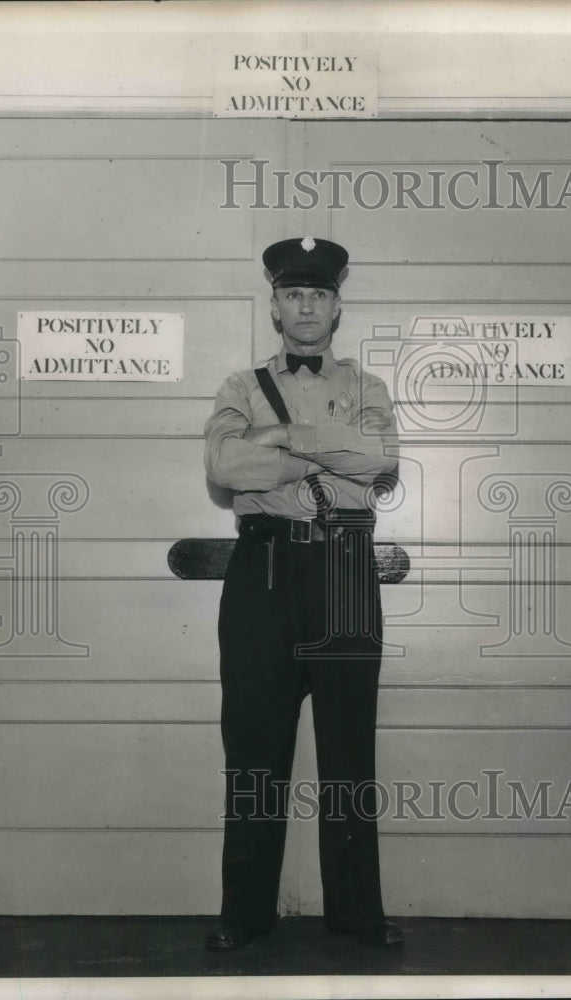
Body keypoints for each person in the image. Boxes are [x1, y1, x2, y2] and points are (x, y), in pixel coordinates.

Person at [203, 236, 402, 949]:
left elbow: (377, 463)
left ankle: (356, 914)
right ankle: (244, 916)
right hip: (262, 573)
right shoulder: (238, 386)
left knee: (349, 748)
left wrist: (284, 436)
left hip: (345, 568)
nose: (306, 306)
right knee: (253, 748)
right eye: (294, 294)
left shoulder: (366, 387)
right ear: (275, 307)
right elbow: (227, 468)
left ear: (337, 306)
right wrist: (322, 445)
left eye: (318, 294)